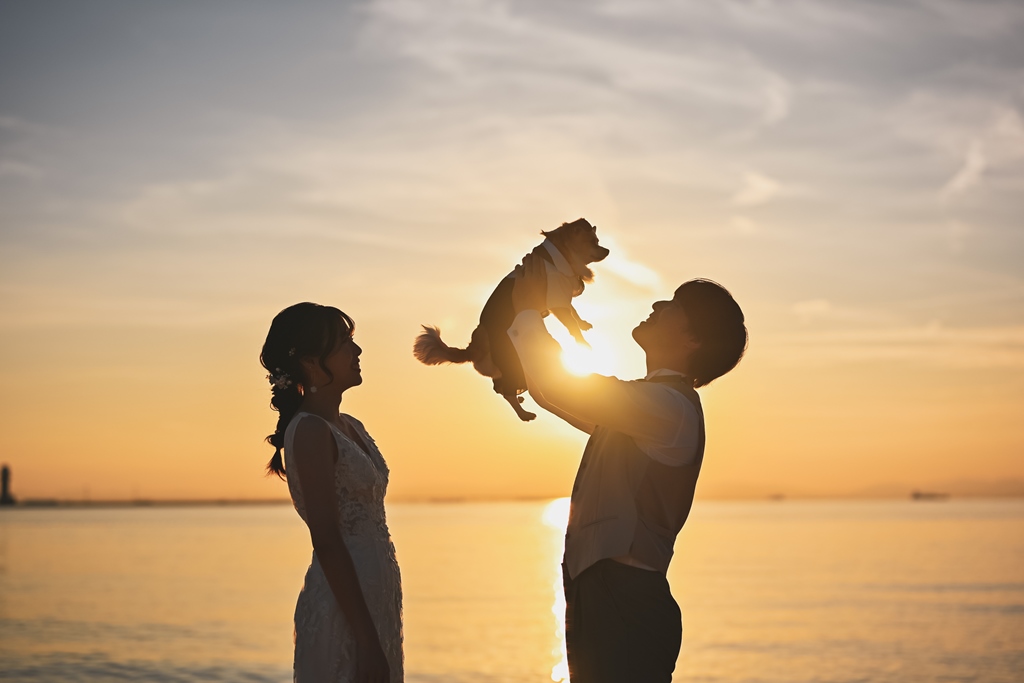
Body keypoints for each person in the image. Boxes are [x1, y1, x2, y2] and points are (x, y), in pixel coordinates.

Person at [509, 253, 747, 682]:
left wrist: (528, 307)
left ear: (693, 339)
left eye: (674, 304)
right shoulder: (646, 407)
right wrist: (528, 311)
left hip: (626, 600)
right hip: (604, 596)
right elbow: (551, 393)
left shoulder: (668, 409)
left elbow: (559, 385)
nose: (658, 305)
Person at [261, 303, 402, 683]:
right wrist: (366, 642)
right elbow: (326, 540)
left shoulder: (350, 425)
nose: (356, 352)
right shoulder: (308, 431)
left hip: (377, 595)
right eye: (344, 343)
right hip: (345, 610)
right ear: (310, 361)